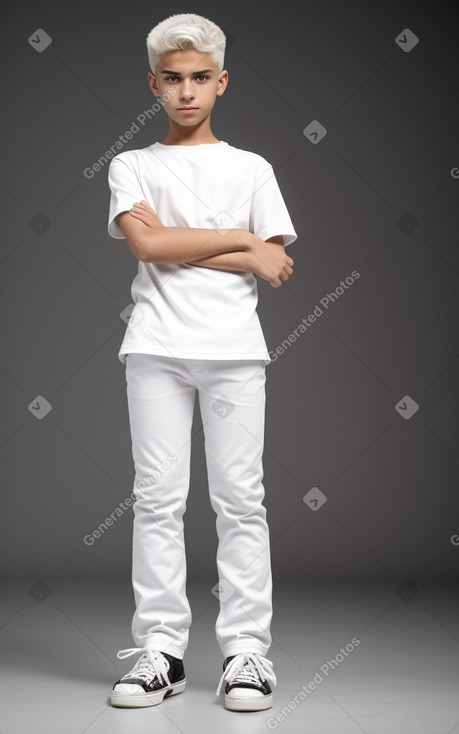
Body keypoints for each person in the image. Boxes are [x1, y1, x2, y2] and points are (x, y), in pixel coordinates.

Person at [106, 12, 297, 713]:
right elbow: (147, 250)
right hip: (154, 347)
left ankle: (247, 654)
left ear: (220, 82)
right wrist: (236, 242)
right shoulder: (133, 164)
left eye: (198, 78)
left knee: (240, 500)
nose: (185, 92)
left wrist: (238, 245)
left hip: (233, 352)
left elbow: (273, 260)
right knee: (156, 500)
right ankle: (161, 650)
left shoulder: (252, 168)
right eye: (172, 79)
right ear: (153, 84)